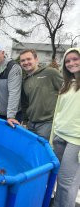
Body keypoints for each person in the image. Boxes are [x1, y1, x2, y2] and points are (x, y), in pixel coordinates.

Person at [50, 47, 80, 207]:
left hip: (76, 141)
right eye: (68, 61)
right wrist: (51, 138)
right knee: (58, 179)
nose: (71, 63)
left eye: (75, 59)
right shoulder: (66, 85)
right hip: (59, 136)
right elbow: (57, 115)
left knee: (67, 183)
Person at [20, 49, 63, 140]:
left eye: (29, 59)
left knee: (44, 151)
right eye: (23, 60)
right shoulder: (25, 81)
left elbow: (66, 92)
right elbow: (25, 104)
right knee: (33, 151)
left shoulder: (51, 73)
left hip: (47, 123)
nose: (26, 62)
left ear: (36, 59)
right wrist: (25, 121)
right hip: (31, 124)